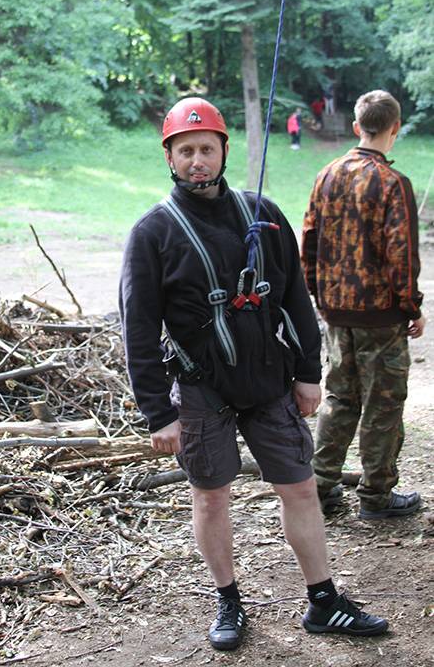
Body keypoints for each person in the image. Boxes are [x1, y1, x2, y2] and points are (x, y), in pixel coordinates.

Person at [119, 96, 388, 651]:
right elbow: (138, 331)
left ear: (223, 151)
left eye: (207, 149)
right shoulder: (153, 234)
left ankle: (323, 601)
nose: (198, 161)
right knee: (211, 497)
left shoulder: (262, 213)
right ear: (169, 157)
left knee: (302, 488)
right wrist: (158, 413)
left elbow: (294, 297)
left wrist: (308, 372)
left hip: (269, 380)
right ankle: (229, 601)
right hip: (201, 388)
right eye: (186, 151)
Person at [301, 90, 425, 520]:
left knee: (339, 397)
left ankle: (321, 487)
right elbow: (401, 254)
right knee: (383, 404)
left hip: (336, 312)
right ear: (395, 128)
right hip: (381, 316)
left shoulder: (327, 175)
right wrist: (411, 307)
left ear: (357, 127)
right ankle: (376, 496)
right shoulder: (393, 183)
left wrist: (320, 297)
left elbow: (309, 241)